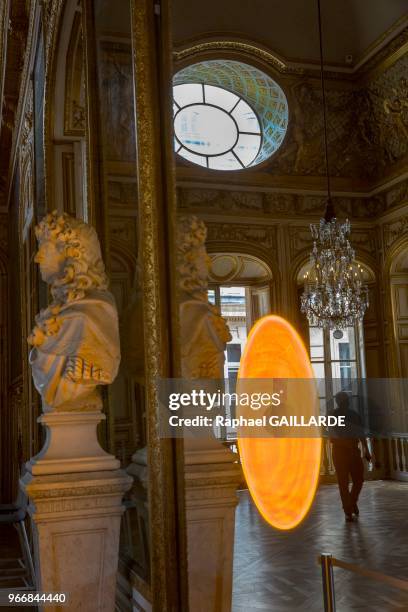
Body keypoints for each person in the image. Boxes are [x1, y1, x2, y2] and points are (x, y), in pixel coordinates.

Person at [330, 391, 372, 522]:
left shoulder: (354, 415)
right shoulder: (333, 416)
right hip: (341, 451)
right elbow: (332, 437)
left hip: (352, 451)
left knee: (358, 480)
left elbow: (361, 434)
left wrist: (366, 450)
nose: (347, 401)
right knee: (344, 482)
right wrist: (364, 449)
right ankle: (348, 509)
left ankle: (350, 503)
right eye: (345, 400)